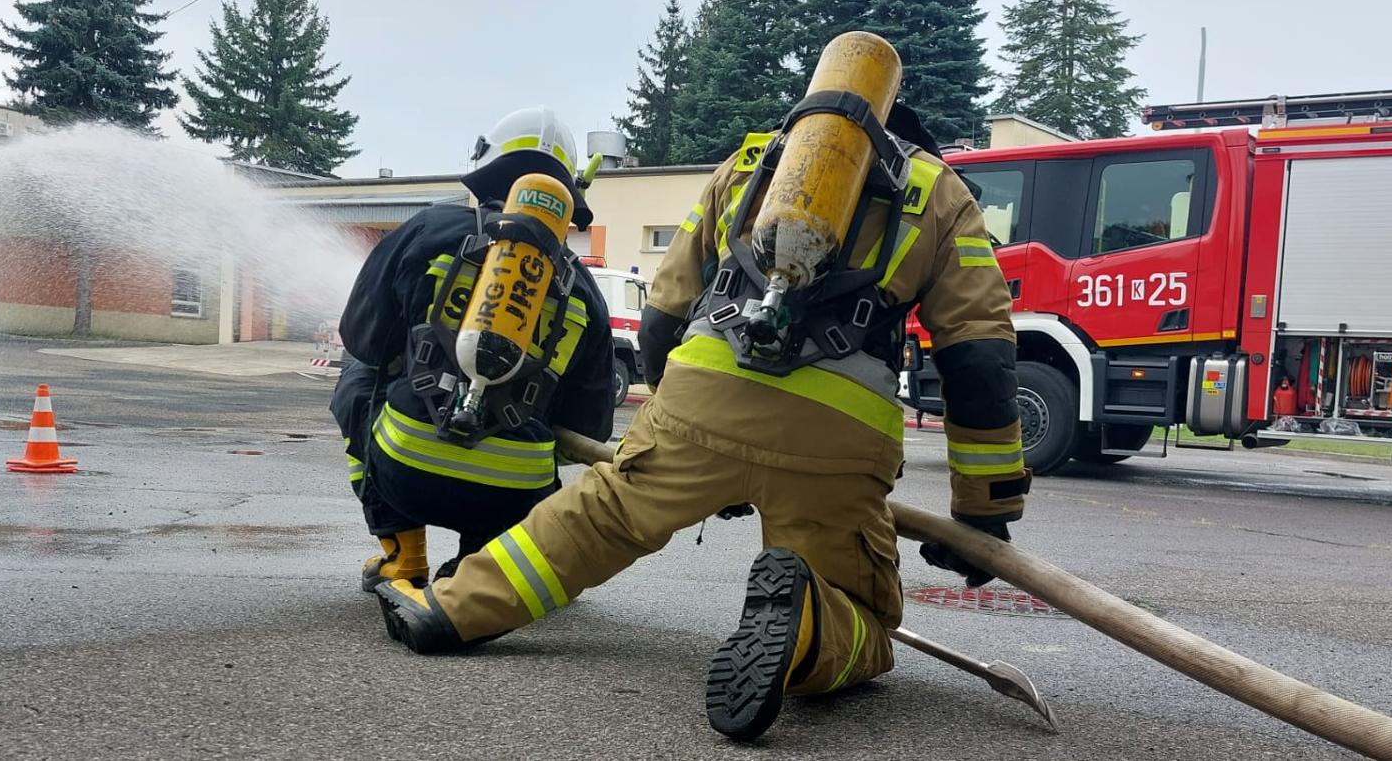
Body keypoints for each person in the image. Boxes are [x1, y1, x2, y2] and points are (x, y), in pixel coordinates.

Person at [374, 61, 1026, 741]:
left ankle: (451, 609)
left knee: (598, 517)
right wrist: (984, 512)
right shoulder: (942, 192)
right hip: (836, 436)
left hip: (700, 394)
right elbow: (978, 356)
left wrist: (681, 427)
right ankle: (807, 622)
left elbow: (664, 310)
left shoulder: (749, 163)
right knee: (864, 614)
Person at [332, 106, 616, 590]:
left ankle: (404, 557)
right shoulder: (584, 288)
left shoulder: (429, 229)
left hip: (406, 469)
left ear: (488, 171)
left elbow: (363, 339)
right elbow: (589, 425)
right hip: (516, 493)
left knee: (357, 372)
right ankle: (479, 565)